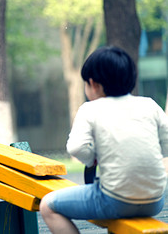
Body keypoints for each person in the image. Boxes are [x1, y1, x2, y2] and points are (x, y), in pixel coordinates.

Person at [40, 46, 168, 234]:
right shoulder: (149, 105)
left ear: (93, 84)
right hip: (155, 200)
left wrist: (92, 157)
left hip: (114, 200)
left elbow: (76, 147)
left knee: (48, 206)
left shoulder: (90, 109)